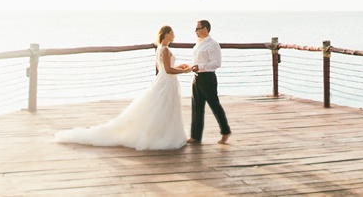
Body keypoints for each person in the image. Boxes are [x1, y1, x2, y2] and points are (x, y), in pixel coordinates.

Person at [55, 25, 192, 151]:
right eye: (171, 33)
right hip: (167, 82)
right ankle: (161, 135)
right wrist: (185, 71)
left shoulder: (160, 48)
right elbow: (167, 70)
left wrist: (178, 67)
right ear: (165, 34)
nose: (174, 35)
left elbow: (162, 68)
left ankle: (160, 134)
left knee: (162, 108)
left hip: (163, 80)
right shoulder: (165, 49)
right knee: (165, 108)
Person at [188, 19, 232, 144]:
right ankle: (195, 136)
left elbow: (216, 63)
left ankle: (225, 131)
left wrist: (200, 67)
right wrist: (190, 66)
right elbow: (198, 60)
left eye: (197, 28)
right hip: (197, 77)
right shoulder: (198, 43)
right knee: (196, 106)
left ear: (205, 29)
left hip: (207, 78)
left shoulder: (213, 44)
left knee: (214, 105)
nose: (195, 31)